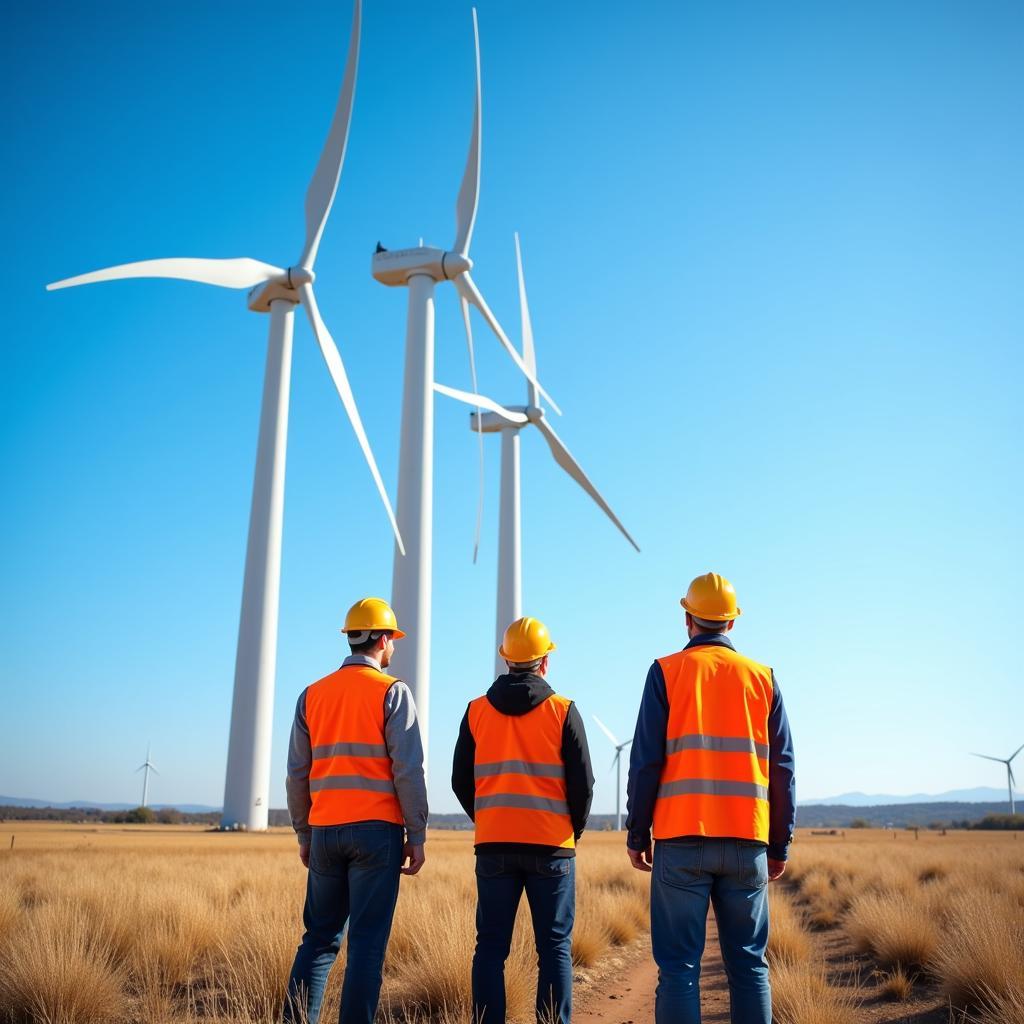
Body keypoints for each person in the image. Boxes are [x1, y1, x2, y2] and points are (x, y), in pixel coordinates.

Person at [625, 573, 796, 1024]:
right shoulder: (763, 678)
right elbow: (783, 770)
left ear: (688, 618)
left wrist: (637, 833)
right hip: (747, 841)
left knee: (679, 967)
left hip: (681, 840)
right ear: (732, 623)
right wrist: (779, 844)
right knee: (750, 966)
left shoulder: (665, 671)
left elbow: (644, 762)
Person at [283, 597, 428, 1024]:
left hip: (325, 830)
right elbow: (409, 770)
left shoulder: (312, 694)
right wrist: (416, 835)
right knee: (366, 945)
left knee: (318, 940)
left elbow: (296, 773)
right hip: (376, 833)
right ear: (383, 640)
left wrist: (304, 834)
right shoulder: (392, 691)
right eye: (393, 640)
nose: (394, 647)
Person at [452, 616, 594, 1024]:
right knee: (554, 949)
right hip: (552, 848)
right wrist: (573, 830)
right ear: (545, 661)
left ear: (506, 660)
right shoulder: (563, 711)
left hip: (494, 847)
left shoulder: (476, 711)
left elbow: (460, 779)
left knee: (491, 948)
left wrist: (488, 819)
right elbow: (583, 783)